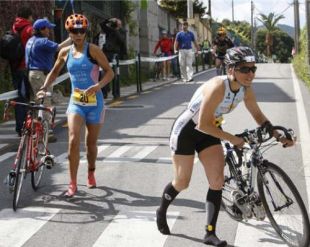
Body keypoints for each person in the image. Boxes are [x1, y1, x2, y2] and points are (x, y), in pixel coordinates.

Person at [156, 46, 295, 246]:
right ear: (231, 70)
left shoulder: (246, 89)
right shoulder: (217, 86)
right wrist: (232, 138)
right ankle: (162, 210)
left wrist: (277, 134)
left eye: (253, 69)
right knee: (182, 182)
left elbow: (257, 114)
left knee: (217, 181)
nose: (250, 74)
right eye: (244, 69)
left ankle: (209, 233)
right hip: (187, 131)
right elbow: (202, 124)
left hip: (209, 132)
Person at [37, 14, 114, 197]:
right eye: (74, 31)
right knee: (73, 139)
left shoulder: (93, 50)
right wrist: (43, 87)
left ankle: (91, 171)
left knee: (91, 144)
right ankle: (72, 183)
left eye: (81, 31)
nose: (78, 34)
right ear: (69, 33)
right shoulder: (64, 52)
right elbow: (54, 72)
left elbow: (110, 72)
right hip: (76, 102)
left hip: (95, 103)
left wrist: (98, 86)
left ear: (86, 32)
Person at [25, 18, 72, 141]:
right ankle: (46, 132)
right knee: (45, 102)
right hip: (41, 74)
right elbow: (58, 48)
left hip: (32, 73)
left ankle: (36, 130)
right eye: (48, 28)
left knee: (36, 102)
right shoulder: (42, 42)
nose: (49, 31)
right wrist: (71, 38)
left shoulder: (30, 40)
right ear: (42, 29)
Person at [11, 7, 33, 136]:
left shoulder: (15, 27)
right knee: (23, 98)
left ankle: (21, 124)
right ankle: (22, 126)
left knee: (18, 96)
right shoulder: (29, 28)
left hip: (15, 65)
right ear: (28, 16)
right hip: (24, 66)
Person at [99, 17, 127, 98]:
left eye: (117, 23)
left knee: (115, 74)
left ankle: (116, 93)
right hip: (106, 54)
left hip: (115, 55)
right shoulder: (109, 30)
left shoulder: (121, 32)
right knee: (104, 74)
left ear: (120, 25)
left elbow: (121, 41)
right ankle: (104, 92)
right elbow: (101, 24)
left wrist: (116, 29)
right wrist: (109, 20)